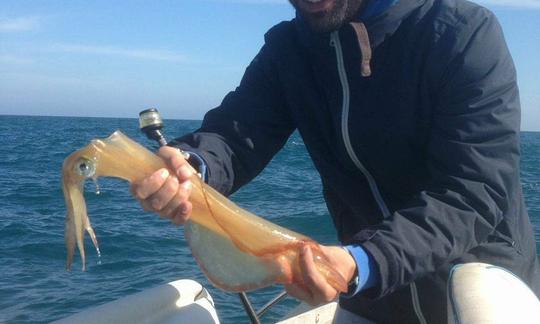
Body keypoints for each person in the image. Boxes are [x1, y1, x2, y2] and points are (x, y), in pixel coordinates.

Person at [131, 0, 540, 322]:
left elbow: (472, 192)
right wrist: (191, 164)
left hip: (476, 284)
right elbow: (237, 133)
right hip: (371, 297)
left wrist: (365, 261)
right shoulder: (288, 51)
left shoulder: (462, 33)